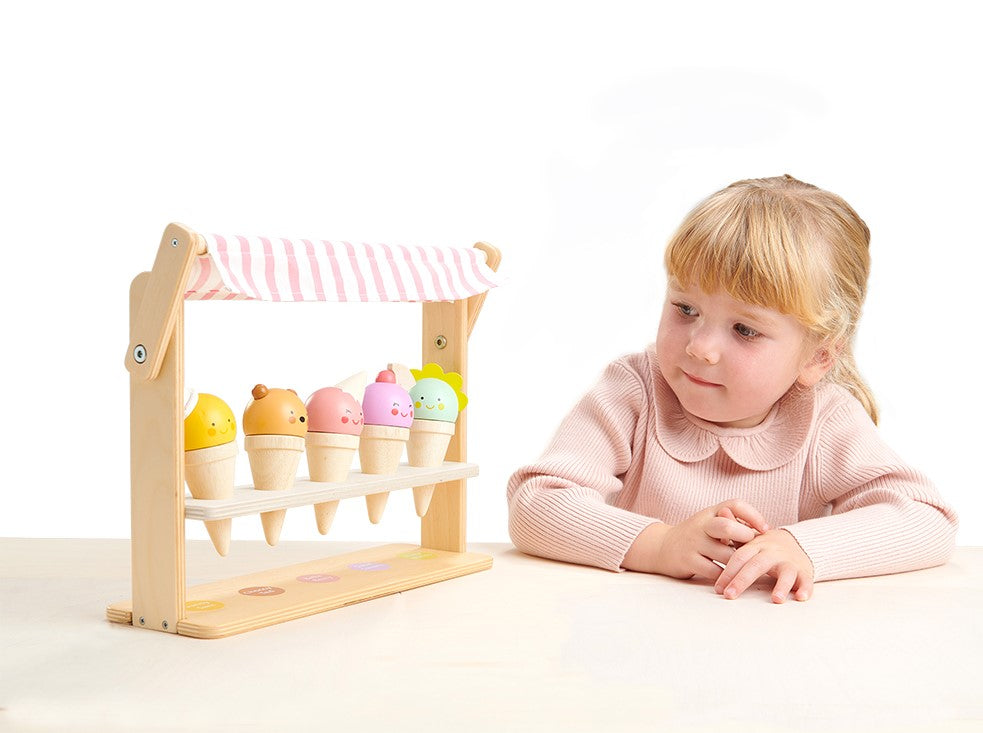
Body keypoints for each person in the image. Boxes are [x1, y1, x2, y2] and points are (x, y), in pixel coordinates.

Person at [507, 175, 958, 603]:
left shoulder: (825, 419)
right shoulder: (635, 391)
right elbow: (536, 504)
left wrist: (803, 546)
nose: (700, 347)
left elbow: (925, 519)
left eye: (744, 329)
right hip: (635, 638)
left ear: (818, 356)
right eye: (685, 308)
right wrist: (659, 545)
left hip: (774, 650)